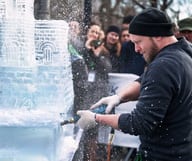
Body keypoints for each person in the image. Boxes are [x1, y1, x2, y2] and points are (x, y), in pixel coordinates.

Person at [76, 7, 192, 161]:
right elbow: (144, 80)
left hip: (162, 155)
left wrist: (97, 118)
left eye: (138, 42)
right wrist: (118, 97)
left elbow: (139, 122)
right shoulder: (184, 51)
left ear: (157, 35)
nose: (136, 49)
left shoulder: (164, 65)